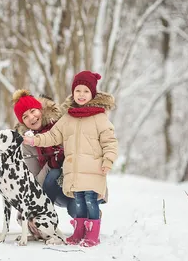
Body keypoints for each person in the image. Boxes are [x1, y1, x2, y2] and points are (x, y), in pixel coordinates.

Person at [22, 71, 118, 247]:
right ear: (73, 93)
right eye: (78, 91)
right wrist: (34, 140)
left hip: (92, 171)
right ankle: (78, 232)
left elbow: (110, 142)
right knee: (80, 203)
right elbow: (52, 136)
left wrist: (108, 161)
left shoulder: (99, 118)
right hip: (73, 174)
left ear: (93, 94)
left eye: (86, 91)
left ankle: (93, 234)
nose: (81, 95)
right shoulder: (68, 118)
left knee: (89, 201)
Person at [12, 89, 76, 217]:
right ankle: (44, 219)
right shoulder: (27, 144)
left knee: (77, 209)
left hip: (79, 183)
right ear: (23, 122)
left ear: (40, 109)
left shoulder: (62, 123)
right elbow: (36, 182)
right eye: (25, 117)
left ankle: (89, 216)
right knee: (53, 173)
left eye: (33, 111)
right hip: (56, 190)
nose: (31, 118)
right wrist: (51, 164)